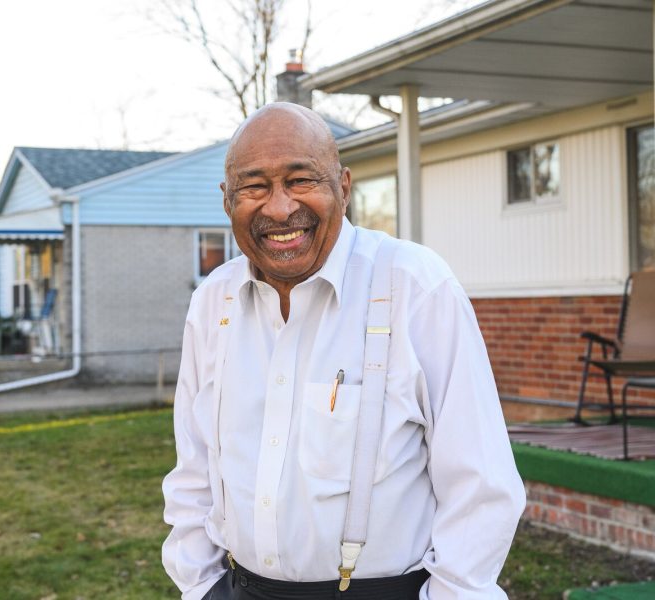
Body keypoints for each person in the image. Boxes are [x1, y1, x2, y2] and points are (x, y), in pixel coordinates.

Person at [162, 102, 526, 600]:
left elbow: (481, 485)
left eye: (301, 180)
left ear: (344, 187)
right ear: (228, 201)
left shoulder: (412, 285)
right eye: (254, 187)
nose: (279, 208)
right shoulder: (213, 302)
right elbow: (194, 469)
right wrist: (200, 588)